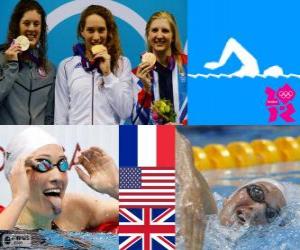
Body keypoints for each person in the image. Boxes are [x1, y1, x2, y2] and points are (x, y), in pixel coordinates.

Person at [176, 131, 287, 249]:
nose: (259, 208)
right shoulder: (207, 215)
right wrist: (190, 184)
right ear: (228, 198)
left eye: (271, 213)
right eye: (257, 192)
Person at [0, 127, 118, 231]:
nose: (57, 177)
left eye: (62, 164)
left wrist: (116, 187)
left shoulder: (73, 209)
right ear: (16, 175)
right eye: (43, 165)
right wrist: (19, 198)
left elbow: (135, 213)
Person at [54, 5, 133, 125]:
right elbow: (60, 116)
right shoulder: (66, 66)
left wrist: (108, 74)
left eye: (101, 30)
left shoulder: (121, 64)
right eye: (90, 30)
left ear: (108, 31)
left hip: (109, 140)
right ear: (82, 31)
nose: (96, 37)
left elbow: (125, 112)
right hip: (76, 140)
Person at [0, 0, 55, 125]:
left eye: (36, 24)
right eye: (26, 23)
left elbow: (49, 116)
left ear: (41, 29)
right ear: (17, 26)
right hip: (7, 139)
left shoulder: (49, 69)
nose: (31, 28)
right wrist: (11, 65)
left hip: (38, 141)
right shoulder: (1, 59)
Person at [132, 11, 187, 125]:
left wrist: (182, 126)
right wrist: (146, 90)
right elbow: (137, 123)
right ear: (148, 35)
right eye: (154, 30)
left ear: (173, 37)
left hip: (187, 135)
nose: (159, 35)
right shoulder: (136, 75)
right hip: (153, 139)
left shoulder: (189, 66)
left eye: (165, 31)